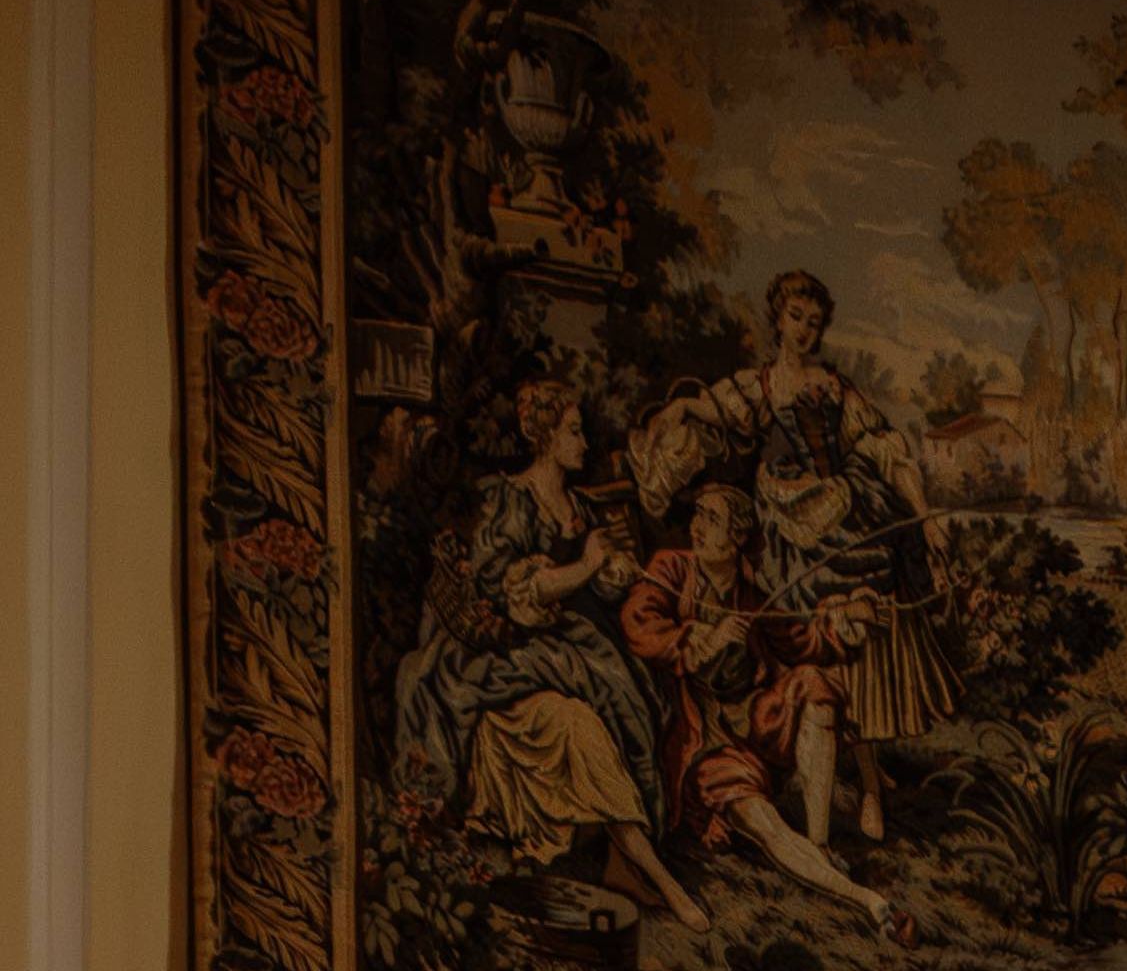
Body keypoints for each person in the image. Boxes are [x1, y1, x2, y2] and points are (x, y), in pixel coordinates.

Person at [639, 276, 948, 840]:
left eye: (814, 321)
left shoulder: (833, 387)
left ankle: (872, 786)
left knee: (858, 648)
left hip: (842, 525)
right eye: (796, 317)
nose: (804, 329)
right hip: (783, 535)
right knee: (801, 650)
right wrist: (677, 409)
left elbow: (885, 447)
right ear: (777, 319)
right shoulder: (758, 386)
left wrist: (924, 517)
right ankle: (806, 774)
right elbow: (711, 409)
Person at [388, 375, 704, 927]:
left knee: (635, 694)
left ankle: (624, 860)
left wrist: (613, 573)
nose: (584, 444)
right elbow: (507, 591)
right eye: (574, 433)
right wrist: (584, 565)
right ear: (546, 438)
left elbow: (597, 590)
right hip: (510, 645)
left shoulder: (580, 504)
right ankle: (654, 874)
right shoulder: (506, 497)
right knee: (585, 715)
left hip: (564, 640)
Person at [619, 482, 897, 921]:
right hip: (707, 741)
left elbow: (802, 642)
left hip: (759, 722)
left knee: (815, 687)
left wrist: (847, 619)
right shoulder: (670, 569)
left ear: (737, 538)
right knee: (765, 825)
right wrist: (701, 640)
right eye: (698, 515)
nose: (697, 527)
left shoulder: (752, 589)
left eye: (712, 519)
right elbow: (638, 624)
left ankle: (819, 842)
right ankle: (863, 899)